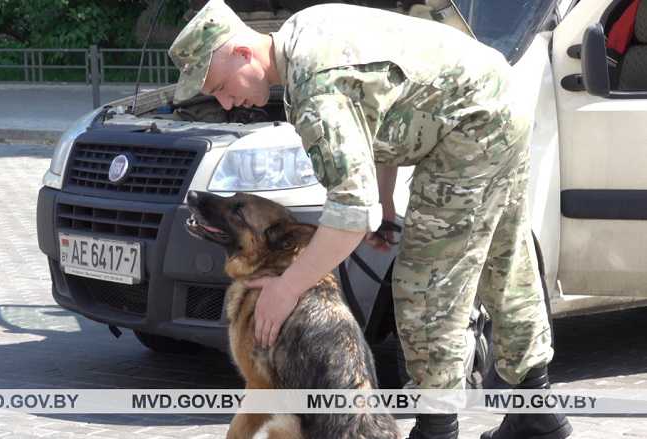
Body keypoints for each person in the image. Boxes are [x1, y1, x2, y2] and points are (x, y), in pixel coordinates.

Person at [168, 1, 573, 438]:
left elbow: (348, 216)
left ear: (242, 53)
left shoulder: (312, 85)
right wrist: (383, 200)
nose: (226, 102)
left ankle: (437, 430)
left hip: (469, 125)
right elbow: (382, 111)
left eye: (222, 85)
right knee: (504, 261)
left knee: (427, 284)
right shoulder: (303, 29)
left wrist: (286, 288)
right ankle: (537, 410)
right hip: (496, 98)